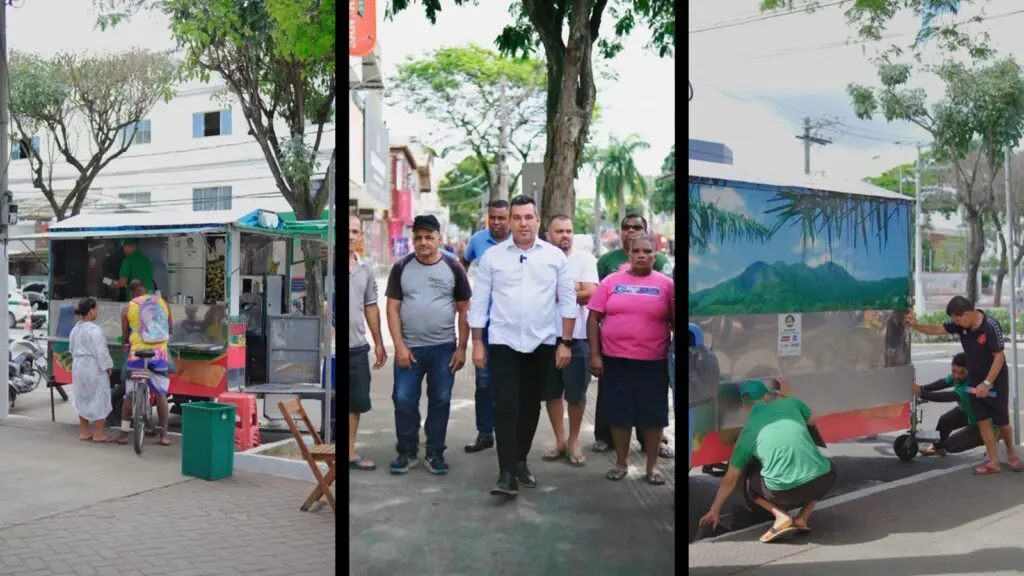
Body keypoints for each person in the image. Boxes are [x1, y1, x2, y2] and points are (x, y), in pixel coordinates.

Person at [468, 195, 577, 496]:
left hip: (541, 342)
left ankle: (519, 461)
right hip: (502, 342)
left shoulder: (554, 257)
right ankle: (505, 475)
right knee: (504, 404)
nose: (523, 223)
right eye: (517, 218)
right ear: (510, 220)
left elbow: (568, 301)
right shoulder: (492, 257)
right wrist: (477, 343)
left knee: (530, 405)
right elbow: (478, 303)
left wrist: (565, 342)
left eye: (528, 217)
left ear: (538, 219)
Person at [385, 215, 472, 475]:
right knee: (402, 400)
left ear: (439, 239)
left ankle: (434, 453)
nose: (423, 242)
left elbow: (464, 309)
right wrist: (398, 346)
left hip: (443, 348)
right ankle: (407, 451)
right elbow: (392, 308)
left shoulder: (453, 267)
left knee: (441, 400)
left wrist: (462, 348)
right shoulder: (401, 267)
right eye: (418, 237)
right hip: (409, 349)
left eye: (428, 237)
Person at [699, 380, 837, 543]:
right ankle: (803, 517)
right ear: (767, 396)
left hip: (781, 492)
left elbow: (731, 478)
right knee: (828, 467)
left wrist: (714, 510)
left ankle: (781, 516)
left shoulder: (747, 433)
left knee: (748, 476)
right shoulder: (791, 402)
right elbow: (813, 419)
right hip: (821, 481)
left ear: (745, 407)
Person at [587, 233, 674, 485]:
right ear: (629, 254)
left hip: (653, 362)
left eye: (647, 252)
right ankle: (622, 462)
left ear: (655, 256)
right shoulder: (611, 282)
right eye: (637, 251)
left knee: (653, 416)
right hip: (615, 360)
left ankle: (652, 467)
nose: (642, 256)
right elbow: (593, 319)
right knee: (619, 414)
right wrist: (595, 355)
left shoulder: (667, 285)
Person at [907, 296, 1023, 474]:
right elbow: (938, 329)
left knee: (1002, 422)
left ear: (967, 314)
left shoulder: (990, 326)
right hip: (974, 381)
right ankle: (994, 462)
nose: (956, 323)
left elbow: (998, 357)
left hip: (995, 382)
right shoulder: (961, 326)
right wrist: (915, 325)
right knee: (983, 421)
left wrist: (987, 383)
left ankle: (1010, 451)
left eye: (957, 319)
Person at [540, 214, 599, 467]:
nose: (565, 235)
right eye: (559, 231)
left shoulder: (584, 259)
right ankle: (560, 440)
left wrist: (562, 290)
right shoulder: (540, 259)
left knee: (576, 394)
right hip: (544, 338)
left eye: (568, 231)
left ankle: (574, 440)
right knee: (551, 393)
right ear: (547, 234)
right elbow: (536, 294)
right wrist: (574, 288)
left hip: (578, 338)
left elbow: (592, 295)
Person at [461, 199, 511, 454]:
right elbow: (463, 263)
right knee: (483, 382)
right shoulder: (478, 240)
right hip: (484, 323)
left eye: (502, 218)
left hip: (513, 325)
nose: (497, 223)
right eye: (493, 218)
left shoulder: (520, 243)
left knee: (512, 383)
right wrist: (461, 293)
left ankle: (510, 435)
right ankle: (484, 432)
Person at [349, 214, 387, 471]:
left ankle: (349, 452)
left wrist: (379, 343)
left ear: (361, 235)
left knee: (357, 402)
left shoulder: (365, 269)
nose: (351, 236)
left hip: (357, 348)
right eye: (346, 231)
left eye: (355, 232)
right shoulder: (324, 266)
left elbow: (371, 307)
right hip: (329, 350)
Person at [118, 280, 173, 447]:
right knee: (161, 394)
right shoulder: (162, 302)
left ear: (133, 293)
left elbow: (125, 334)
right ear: (146, 290)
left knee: (129, 393)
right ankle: (164, 435)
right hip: (159, 353)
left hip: (138, 354)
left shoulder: (128, 307)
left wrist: (127, 342)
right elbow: (170, 328)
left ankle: (124, 434)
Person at [915, 353, 998, 456]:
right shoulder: (958, 376)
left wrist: (920, 393)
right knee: (945, 421)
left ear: (969, 370)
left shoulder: (972, 384)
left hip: (984, 424)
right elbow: (943, 383)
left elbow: (945, 397)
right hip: (969, 412)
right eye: (954, 371)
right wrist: (922, 388)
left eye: (961, 373)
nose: (956, 376)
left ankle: (991, 439)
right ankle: (937, 448)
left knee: (950, 446)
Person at [69, 297, 115, 443]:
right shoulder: (95, 330)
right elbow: (101, 351)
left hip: (78, 366)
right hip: (93, 367)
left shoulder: (75, 329)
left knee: (82, 396)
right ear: (90, 312)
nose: (97, 311)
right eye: (96, 309)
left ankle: (84, 431)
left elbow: (71, 349)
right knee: (99, 397)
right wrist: (107, 366)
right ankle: (98, 433)